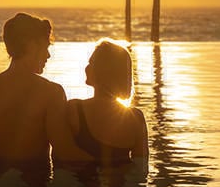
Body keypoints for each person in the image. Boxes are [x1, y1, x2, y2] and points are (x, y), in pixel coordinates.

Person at [0, 12, 66, 168]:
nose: (48, 55)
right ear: (31, 45)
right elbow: (63, 156)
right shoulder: (51, 93)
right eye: (45, 47)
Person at [49, 39, 148, 167]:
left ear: (102, 71)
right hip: (121, 186)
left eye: (91, 63)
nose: (86, 68)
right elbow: (141, 169)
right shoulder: (136, 119)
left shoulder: (74, 109)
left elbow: (58, 158)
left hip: (82, 185)